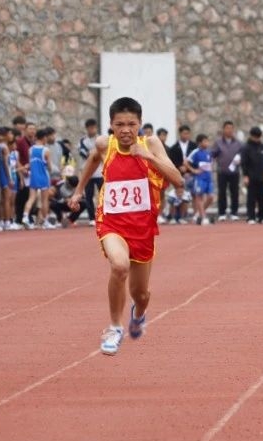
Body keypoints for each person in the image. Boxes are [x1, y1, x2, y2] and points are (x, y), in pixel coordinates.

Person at [69, 97, 183, 356]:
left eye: (131, 124)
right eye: (119, 124)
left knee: (140, 294)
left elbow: (178, 179)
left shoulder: (150, 144)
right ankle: (114, 326)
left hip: (142, 229)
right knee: (119, 266)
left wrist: (148, 156)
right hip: (111, 222)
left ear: (139, 124)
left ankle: (138, 314)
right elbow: (91, 163)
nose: (125, 129)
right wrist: (77, 191)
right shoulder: (103, 145)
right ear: (111, 124)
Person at [212, 121, 242, 222]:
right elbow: (213, 154)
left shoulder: (238, 143)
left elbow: (242, 155)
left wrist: (240, 159)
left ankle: (234, 213)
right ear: (223, 129)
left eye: (231, 128)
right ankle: (222, 213)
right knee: (222, 193)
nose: (229, 130)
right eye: (227, 128)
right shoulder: (218, 142)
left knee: (234, 192)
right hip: (222, 171)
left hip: (235, 172)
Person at [241, 127, 263, 224]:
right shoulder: (246, 148)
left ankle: (262, 216)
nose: (257, 139)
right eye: (255, 137)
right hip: (251, 176)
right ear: (251, 136)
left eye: (259, 137)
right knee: (251, 197)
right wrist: (245, 175)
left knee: (262, 197)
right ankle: (251, 217)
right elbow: (244, 163)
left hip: (262, 176)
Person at [186, 134, 215, 225]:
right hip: (200, 179)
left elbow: (210, 164)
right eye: (205, 141)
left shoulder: (209, 153)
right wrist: (193, 170)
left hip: (208, 178)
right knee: (199, 197)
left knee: (210, 197)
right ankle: (203, 217)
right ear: (199, 143)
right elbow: (186, 162)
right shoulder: (195, 152)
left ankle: (198, 214)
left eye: (207, 141)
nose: (207, 143)